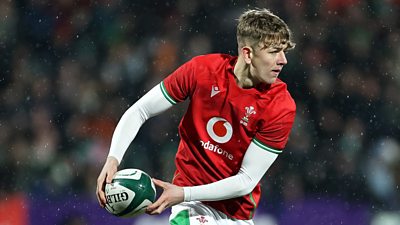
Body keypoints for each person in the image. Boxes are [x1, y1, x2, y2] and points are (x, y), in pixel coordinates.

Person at [96, 8, 296, 225]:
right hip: (191, 207)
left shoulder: (281, 106)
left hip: (236, 215)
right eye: (275, 51)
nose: (283, 60)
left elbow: (246, 180)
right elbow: (139, 111)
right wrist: (113, 159)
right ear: (248, 54)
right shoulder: (203, 71)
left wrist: (182, 193)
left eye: (284, 51)